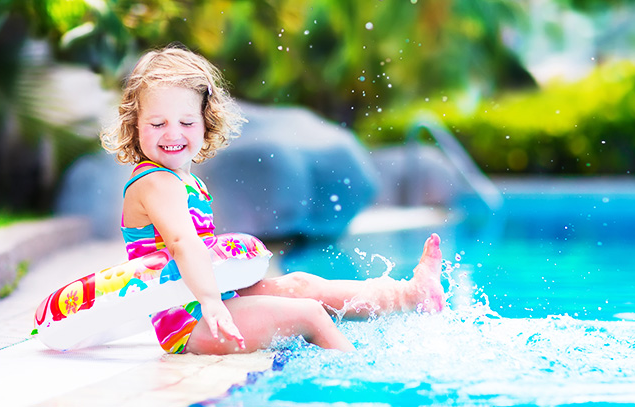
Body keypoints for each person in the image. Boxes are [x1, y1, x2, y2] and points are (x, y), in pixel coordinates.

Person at [101, 44, 444, 355]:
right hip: (189, 320)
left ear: (206, 122)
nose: (173, 133)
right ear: (134, 125)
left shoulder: (184, 180)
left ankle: (412, 295)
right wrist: (211, 302)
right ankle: (360, 383)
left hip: (210, 298)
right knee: (308, 314)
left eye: (186, 121)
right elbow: (182, 244)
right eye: (157, 123)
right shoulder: (156, 182)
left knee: (302, 285)